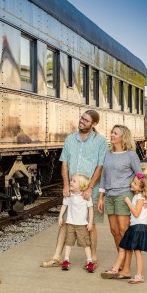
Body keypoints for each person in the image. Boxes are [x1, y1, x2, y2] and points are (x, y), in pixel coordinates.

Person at [40, 110, 108, 270]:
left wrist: (90, 188)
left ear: (94, 124)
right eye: (82, 118)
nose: (82, 121)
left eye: (86, 120)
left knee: (91, 225)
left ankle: (93, 258)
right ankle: (57, 256)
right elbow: (64, 163)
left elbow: (100, 166)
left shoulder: (100, 141)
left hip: (91, 189)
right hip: (72, 187)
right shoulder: (70, 139)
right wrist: (65, 185)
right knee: (65, 221)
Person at [98, 124, 142, 279]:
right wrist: (101, 196)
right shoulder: (108, 153)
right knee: (114, 231)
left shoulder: (130, 155)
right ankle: (122, 262)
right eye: (111, 132)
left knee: (124, 232)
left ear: (123, 137)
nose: (111, 135)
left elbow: (140, 175)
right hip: (109, 195)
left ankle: (126, 268)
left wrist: (145, 197)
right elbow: (104, 175)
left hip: (124, 195)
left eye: (115, 133)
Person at [101, 173, 147, 284]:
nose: (132, 184)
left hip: (139, 227)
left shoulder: (140, 198)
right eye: (133, 182)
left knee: (137, 251)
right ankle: (115, 269)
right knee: (123, 246)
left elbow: (136, 213)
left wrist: (128, 202)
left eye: (135, 183)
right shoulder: (137, 196)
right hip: (134, 227)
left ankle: (139, 276)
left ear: (142, 188)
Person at [58, 173, 94, 272]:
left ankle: (89, 261)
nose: (71, 182)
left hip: (82, 224)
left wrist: (90, 222)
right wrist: (60, 216)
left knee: (86, 243)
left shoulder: (86, 197)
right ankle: (66, 260)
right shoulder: (69, 196)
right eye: (71, 180)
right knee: (68, 242)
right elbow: (64, 205)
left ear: (81, 186)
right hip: (70, 223)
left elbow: (90, 209)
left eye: (74, 181)